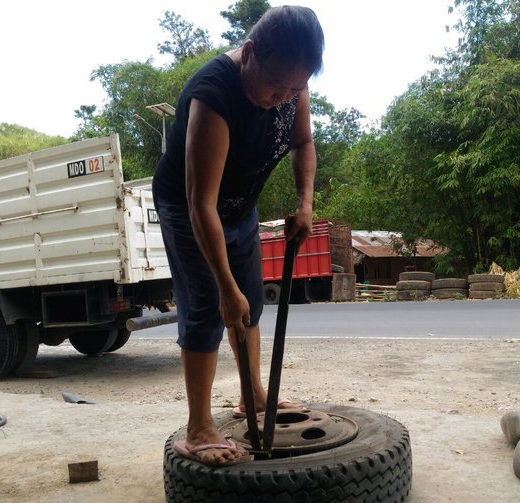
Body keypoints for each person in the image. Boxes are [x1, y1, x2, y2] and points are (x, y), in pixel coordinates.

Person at [152, 5, 324, 466]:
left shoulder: (292, 84)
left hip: (240, 207)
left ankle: (254, 396)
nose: (282, 97)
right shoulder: (213, 96)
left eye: (294, 88)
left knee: (252, 302)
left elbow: (303, 143)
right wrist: (225, 287)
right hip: (191, 207)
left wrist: (305, 204)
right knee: (211, 305)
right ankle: (199, 425)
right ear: (248, 53)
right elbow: (200, 205)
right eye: (275, 86)